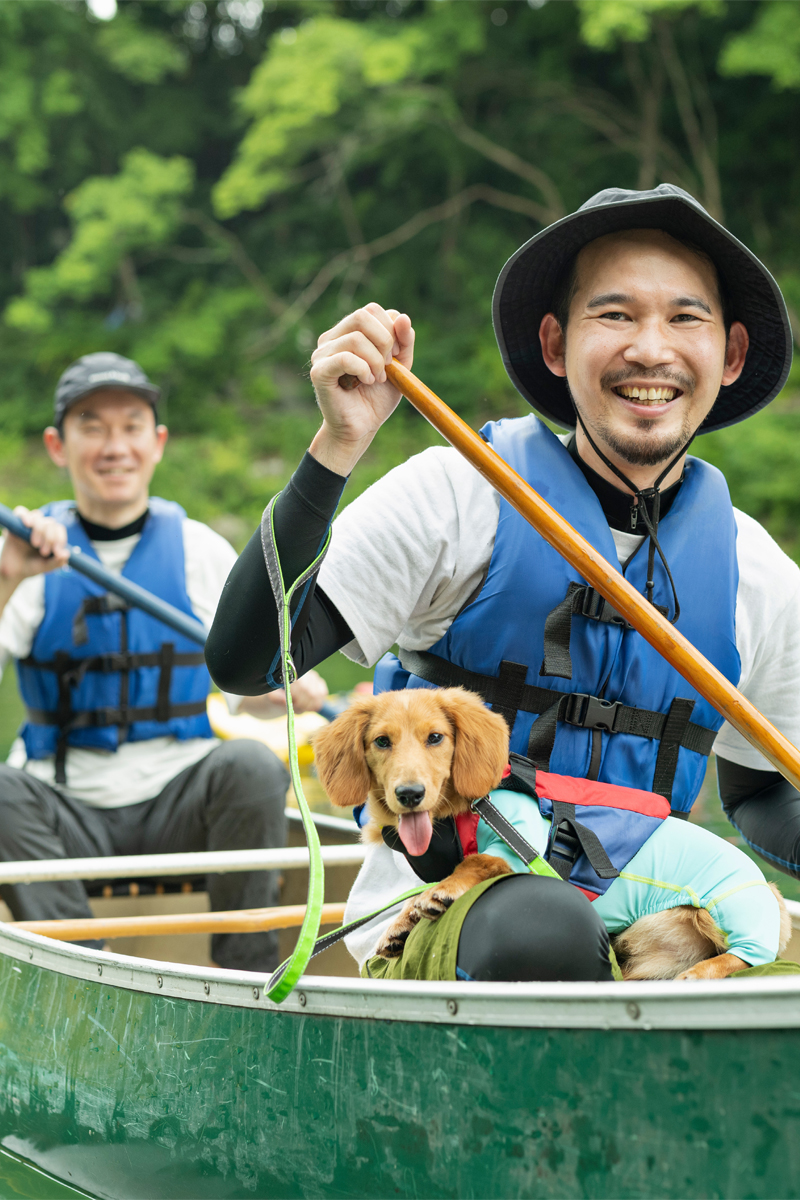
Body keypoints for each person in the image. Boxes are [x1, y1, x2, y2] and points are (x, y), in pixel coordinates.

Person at [207, 184, 800, 982]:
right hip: (449, 913)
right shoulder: (455, 497)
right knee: (543, 921)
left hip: (652, 932)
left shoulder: (756, 571)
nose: (652, 350)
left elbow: (764, 794)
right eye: (615, 315)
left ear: (728, 357)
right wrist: (337, 447)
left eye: (684, 318)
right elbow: (249, 661)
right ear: (556, 345)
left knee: (720, 939)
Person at [0, 352, 328, 973]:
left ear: (157, 444)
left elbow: (242, 692)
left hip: (177, 804)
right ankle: (86, 971)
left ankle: (246, 980)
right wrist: (8, 575)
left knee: (252, 765)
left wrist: (282, 686)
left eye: (130, 427)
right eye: (92, 427)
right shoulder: (22, 553)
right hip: (64, 808)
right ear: (56, 446)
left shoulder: (200, 550)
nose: (113, 446)